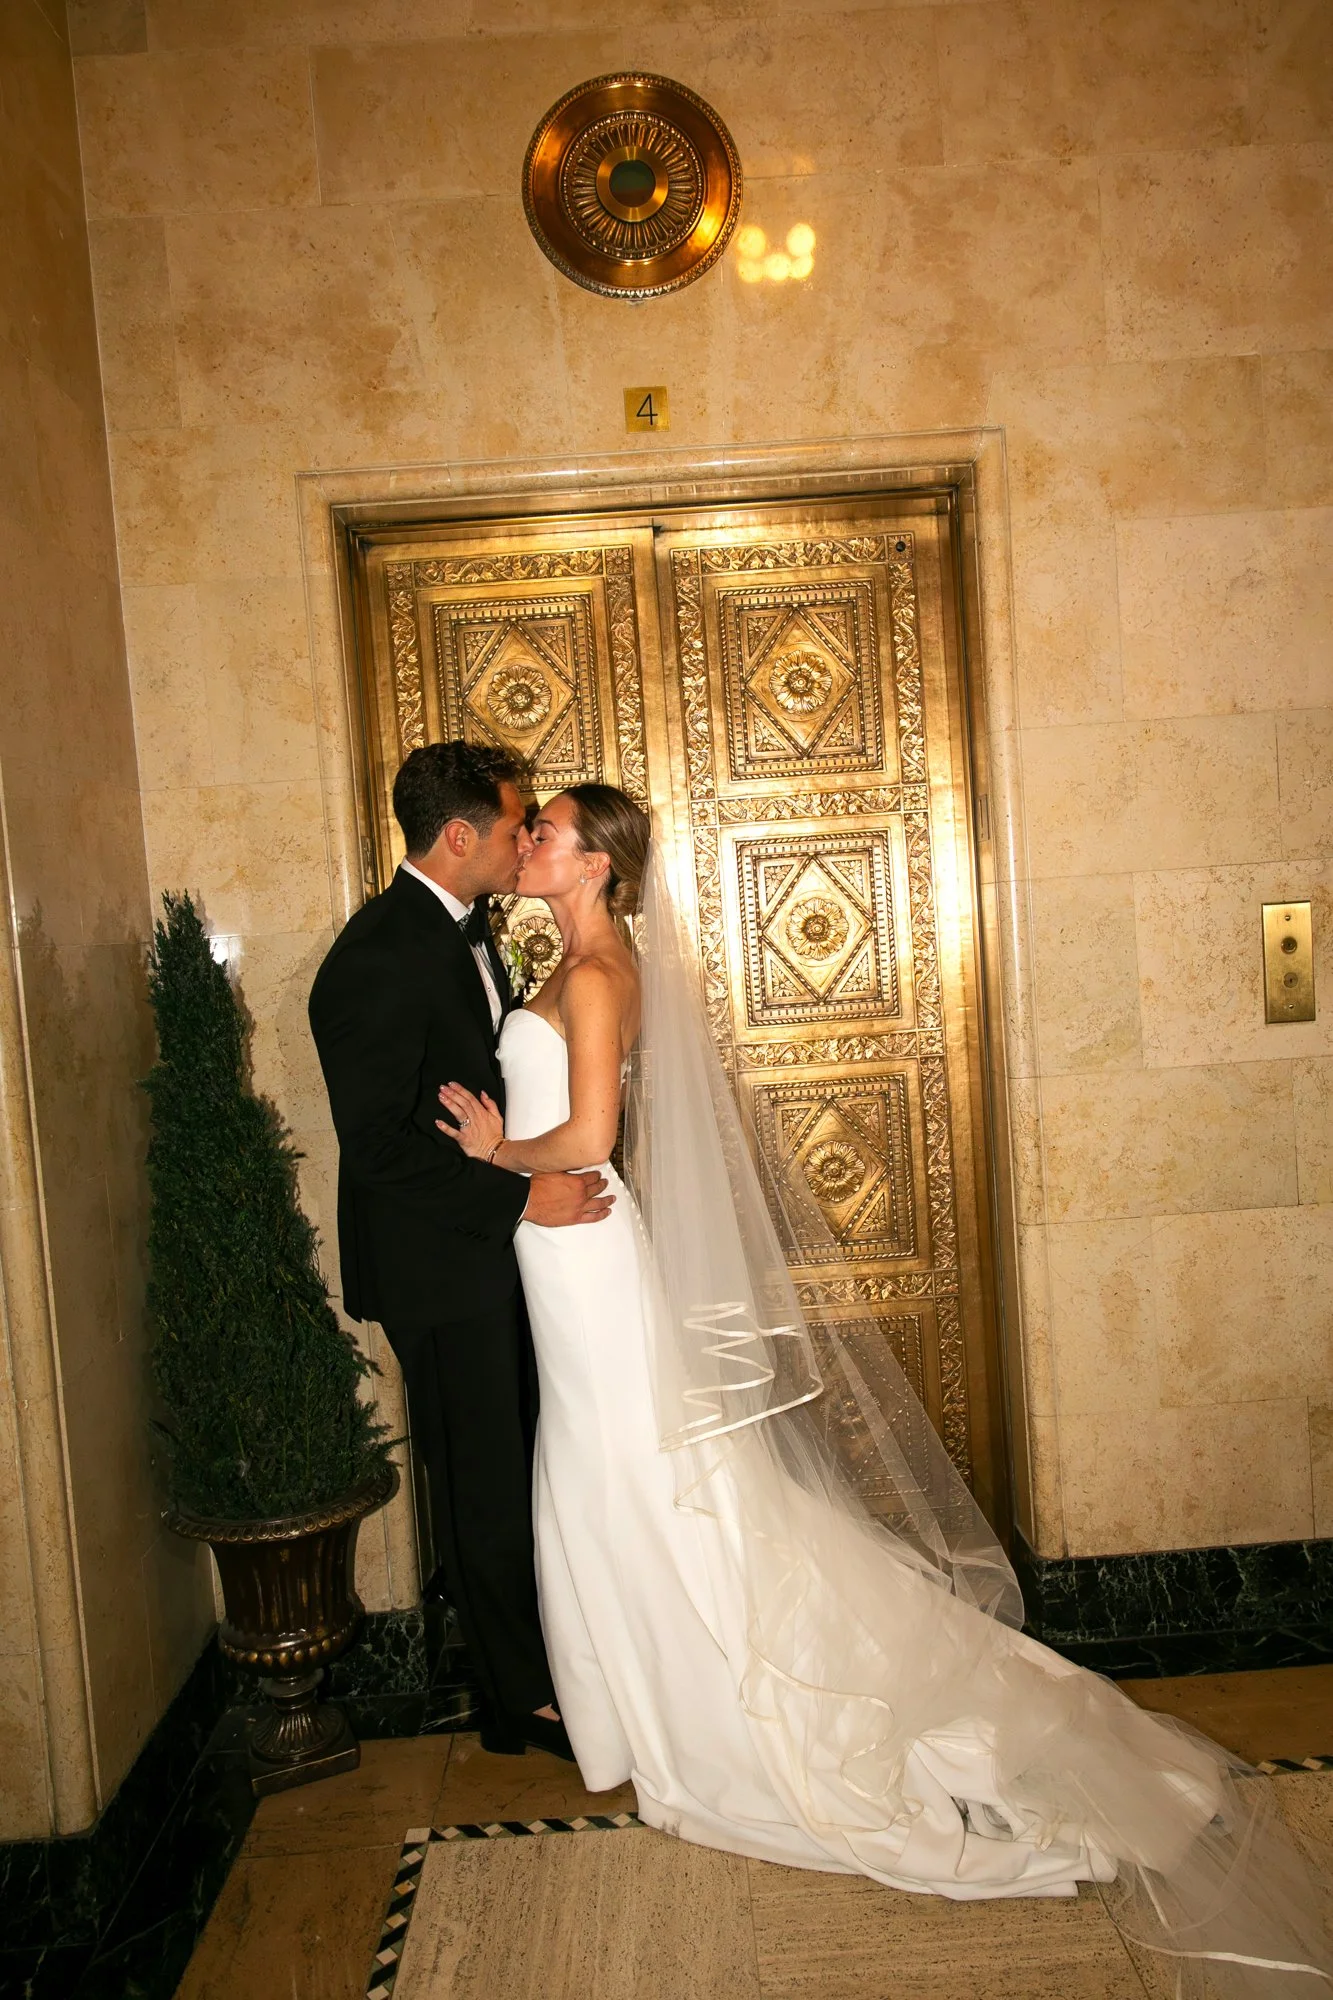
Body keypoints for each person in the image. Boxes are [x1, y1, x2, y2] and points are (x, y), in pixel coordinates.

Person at [437, 780, 1333, 1996]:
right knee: (607, 1476)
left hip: (579, 1249)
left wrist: (498, 1152)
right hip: (565, 1253)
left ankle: (705, 1720)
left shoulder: (594, 977)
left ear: (596, 864)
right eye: (529, 826)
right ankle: (654, 1712)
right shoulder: (581, 960)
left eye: (547, 829)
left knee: (625, 1474)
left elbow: (588, 1135)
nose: (528, 838)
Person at [308, 741, 614, 1758]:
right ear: (459, 835)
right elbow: (381, 1146)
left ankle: (537, 1669)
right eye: (516, 823)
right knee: (482, 1479)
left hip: (487, 1250)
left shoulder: (466, 932)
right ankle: (518, 1701)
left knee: (516, 1462)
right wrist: (522, 1197)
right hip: (438, 1264)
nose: (525, 838)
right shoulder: (376, 953)